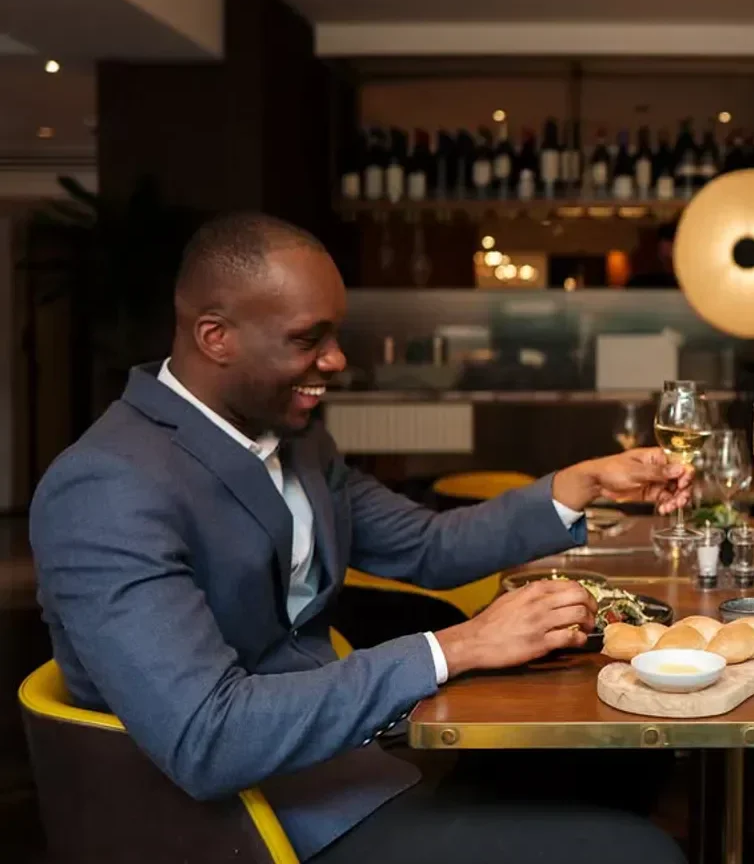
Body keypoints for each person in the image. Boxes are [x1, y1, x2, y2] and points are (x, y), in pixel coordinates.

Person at [29, 212, 691, 863]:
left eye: (335, 334)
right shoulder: (107, 486)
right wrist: (457, 647)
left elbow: (428, 546)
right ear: (215, 337)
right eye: (306, 338)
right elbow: (210, 736)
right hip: (253, 819)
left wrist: (580, 484)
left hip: (354, 761)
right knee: (641, 851)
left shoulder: (298, 442)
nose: (337, 359)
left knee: (620, 762)